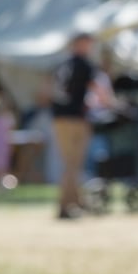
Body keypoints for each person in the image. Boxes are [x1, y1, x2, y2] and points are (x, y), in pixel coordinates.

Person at [47, 31, 112, 219]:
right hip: (75, 118)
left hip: (59, 117)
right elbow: (99, 91)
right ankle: (65, 206)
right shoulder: (84, 64)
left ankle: (76, 202)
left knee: (70, 163)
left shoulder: (61, 63)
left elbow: (49, 90)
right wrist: (112, 104)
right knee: (73, 164)